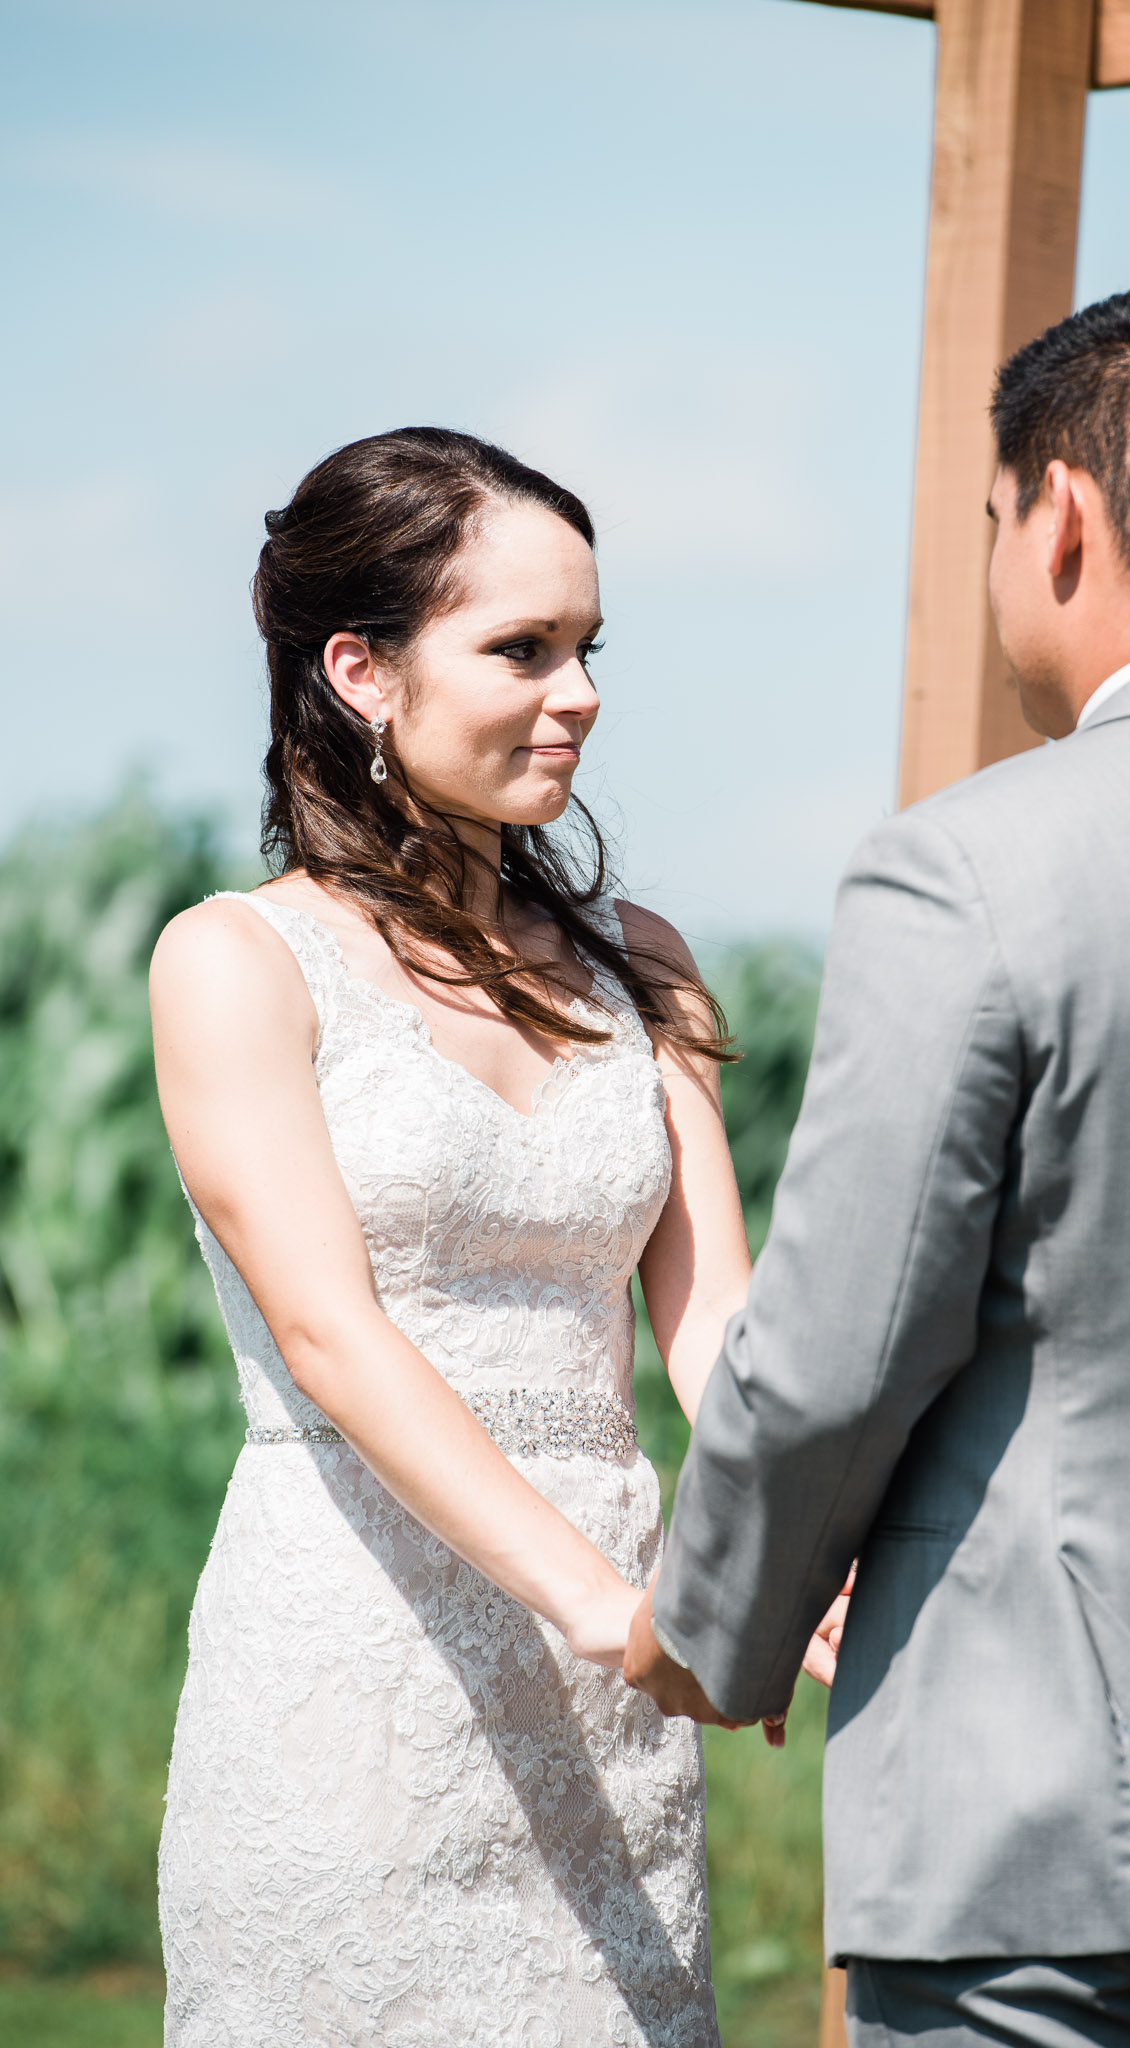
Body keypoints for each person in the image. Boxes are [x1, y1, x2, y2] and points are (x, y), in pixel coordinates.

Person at [625, 281, 1130, 2045]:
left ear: (1065, 521)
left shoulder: (967, 872)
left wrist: (709, 1623)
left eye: (989, 519)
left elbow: (836, 1351)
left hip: (1054, 1833)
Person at [151, 428, 759, 2046]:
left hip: (616, 1692)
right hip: (356, 1677)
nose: (581, 692)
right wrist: (593, 1605)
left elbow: (716, 1334)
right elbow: (335, 1337)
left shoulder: (643, 964)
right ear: (361, 669)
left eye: (587, 648)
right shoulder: (235, 962)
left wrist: (796, 1546)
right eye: (524, 648)